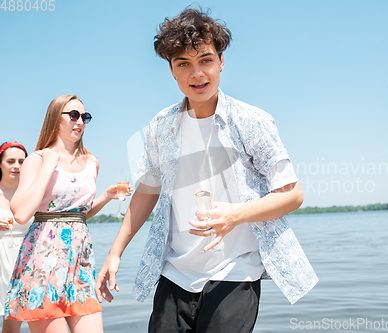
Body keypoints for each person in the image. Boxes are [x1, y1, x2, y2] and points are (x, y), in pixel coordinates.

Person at [95, 7, 318, 333]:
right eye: (183, 64)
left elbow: (292, 195)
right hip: (174, 273)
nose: (196, 73)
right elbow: (146, 191)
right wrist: (114, 254)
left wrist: (235, 215)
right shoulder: (160, 126)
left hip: (235, 272)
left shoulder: (251, 121)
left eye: (205, 60)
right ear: (171, 70)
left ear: (221, 61)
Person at [4, 95, 128, 333]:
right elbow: (20, 213)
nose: (79, 121)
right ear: (55, 118)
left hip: (80, 264)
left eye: (84, 116)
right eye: (73, 115)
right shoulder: (36, 160)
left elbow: (77, 215)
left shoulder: (92, 162)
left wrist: (106, 196)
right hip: (42, 264)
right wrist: (48, 167)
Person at [0, 142, 30, 333]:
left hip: (28, 259)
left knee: (33, 316)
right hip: (1, 260)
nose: (17, 166)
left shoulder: (32, 192)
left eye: (21, 161)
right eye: (11, 161)